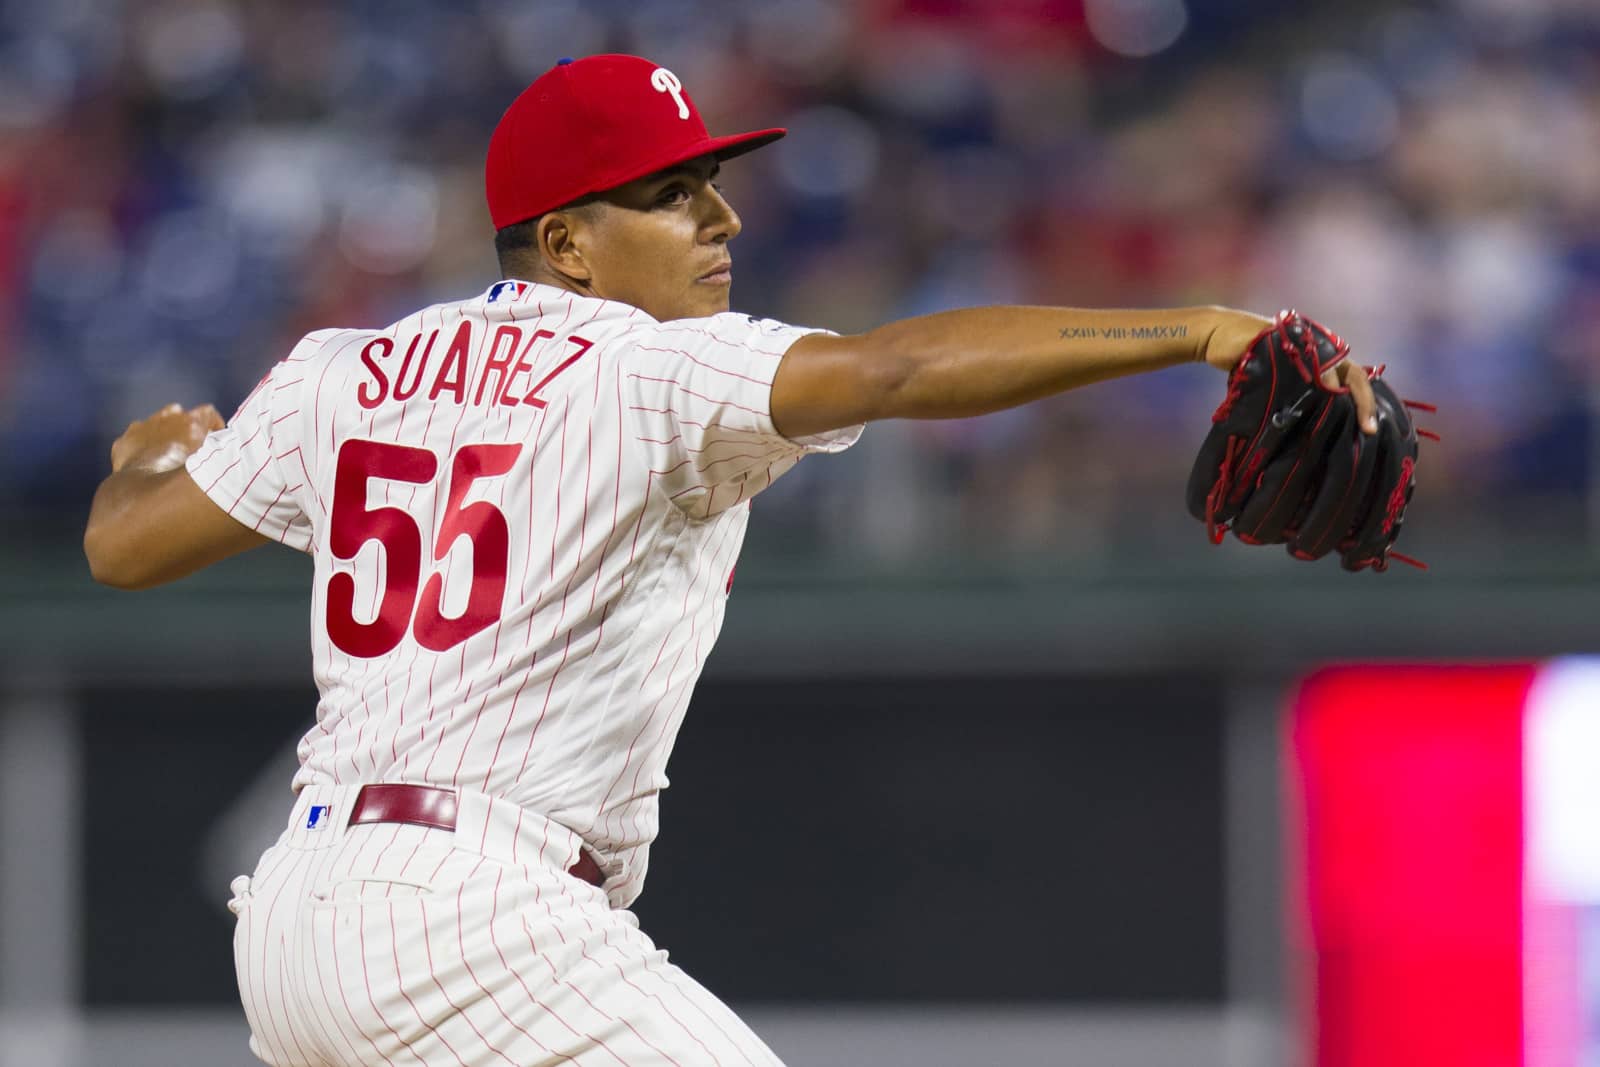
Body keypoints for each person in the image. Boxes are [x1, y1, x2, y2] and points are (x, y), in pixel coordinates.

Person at [83, 53, 1378, 1067]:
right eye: (671, 196)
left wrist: (147, 459)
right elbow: (895, 367)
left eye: (709, 184)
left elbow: (126, 547)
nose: (723, 217)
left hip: (297, 920)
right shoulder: (646, 364)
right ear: (568, 245)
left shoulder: (342, 373)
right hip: (471, 920)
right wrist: (1202, 327)